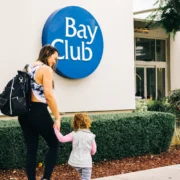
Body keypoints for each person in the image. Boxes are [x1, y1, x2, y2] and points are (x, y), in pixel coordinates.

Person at [18, 45, 61, 180]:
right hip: (38, 111)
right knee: (54, 144)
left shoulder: (28, 68)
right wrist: (57, 117)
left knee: (31, 149)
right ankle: (45, 178)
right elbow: (48, 95)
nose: (55, 62)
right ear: (47, 53)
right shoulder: (45, 69)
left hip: (24, 113)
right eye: (54, 58)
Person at [54, 113, 97, 180]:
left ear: (74, 123)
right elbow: (93, 150)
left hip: (75, 162)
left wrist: (56, 129)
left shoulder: (74, 134)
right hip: (86, 163)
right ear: (87, 122)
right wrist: (90, 154)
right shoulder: (91, 136)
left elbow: (62, 139)